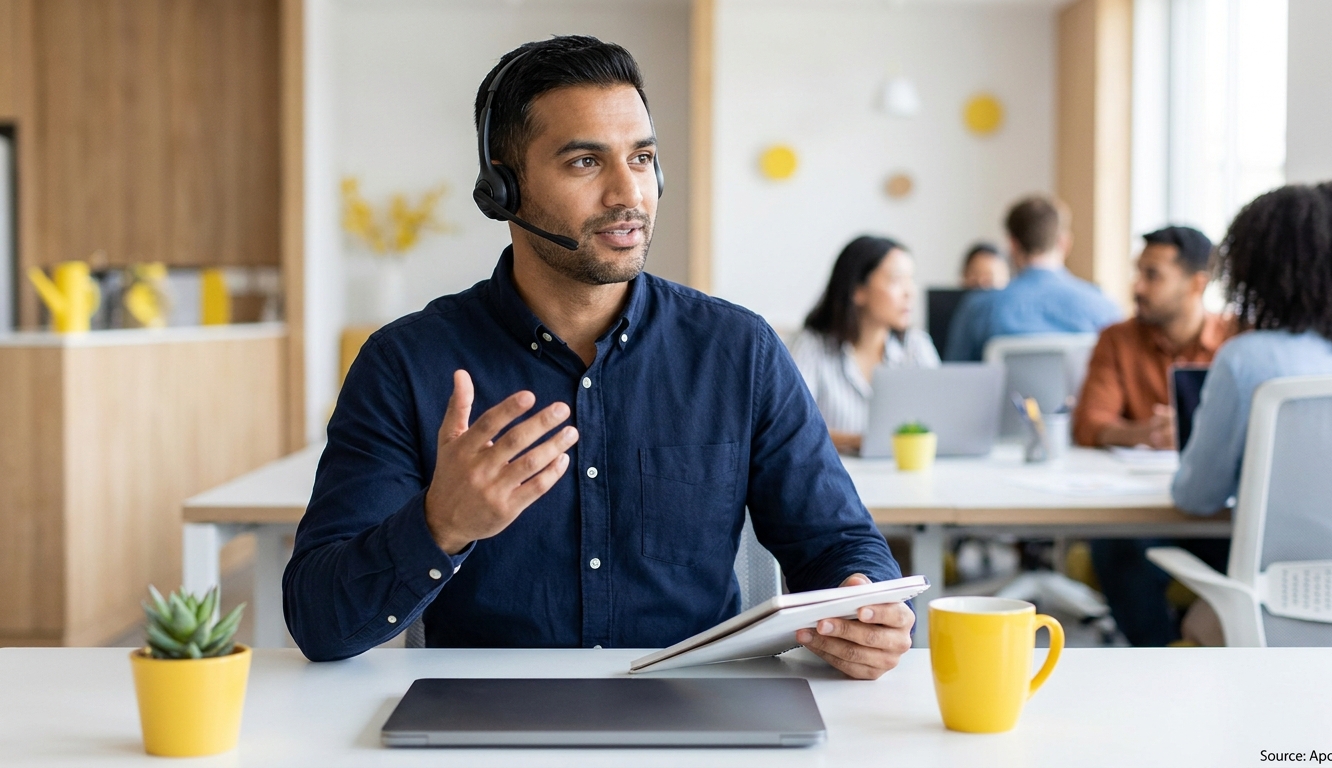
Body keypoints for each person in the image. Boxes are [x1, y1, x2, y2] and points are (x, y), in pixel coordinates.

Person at [283, 36, 913, 679]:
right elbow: (318, 623)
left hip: (698, 715)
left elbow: (838, 544)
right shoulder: (406, 363)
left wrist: (868, 606)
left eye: (642, 158)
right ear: (503, 188)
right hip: (488, 722)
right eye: (586, 161)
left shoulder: (739, 352)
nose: (628, 193)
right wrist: (439, 525)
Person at [1093, 182, 1332, 647]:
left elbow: (1197, 497)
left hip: (1272, 613)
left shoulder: (1247, 360)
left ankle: (1160, 672)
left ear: (1259, 272)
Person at [1073, 226, 1234, 448]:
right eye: (1137, 272)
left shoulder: (1236, 340)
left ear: (1198, 284)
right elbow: (1088, 424)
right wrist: (1146, 434)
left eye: (1152, 275)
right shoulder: (1116, 339)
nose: (1137, 287)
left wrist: (1195, 430)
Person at [789, 236, 940, 455]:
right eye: (897, 280)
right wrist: (863, 441)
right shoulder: (810, 347)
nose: (910, 292)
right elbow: (792, 427)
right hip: (832, 480)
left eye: (911, 280)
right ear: (858, 290)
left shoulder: (917, 346)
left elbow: (940, 421)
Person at [944, 195, 1121, 362]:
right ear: (1064, 242)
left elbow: (955, 380)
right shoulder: (1105, 309)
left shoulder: (979, 309)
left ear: (1013, 244)